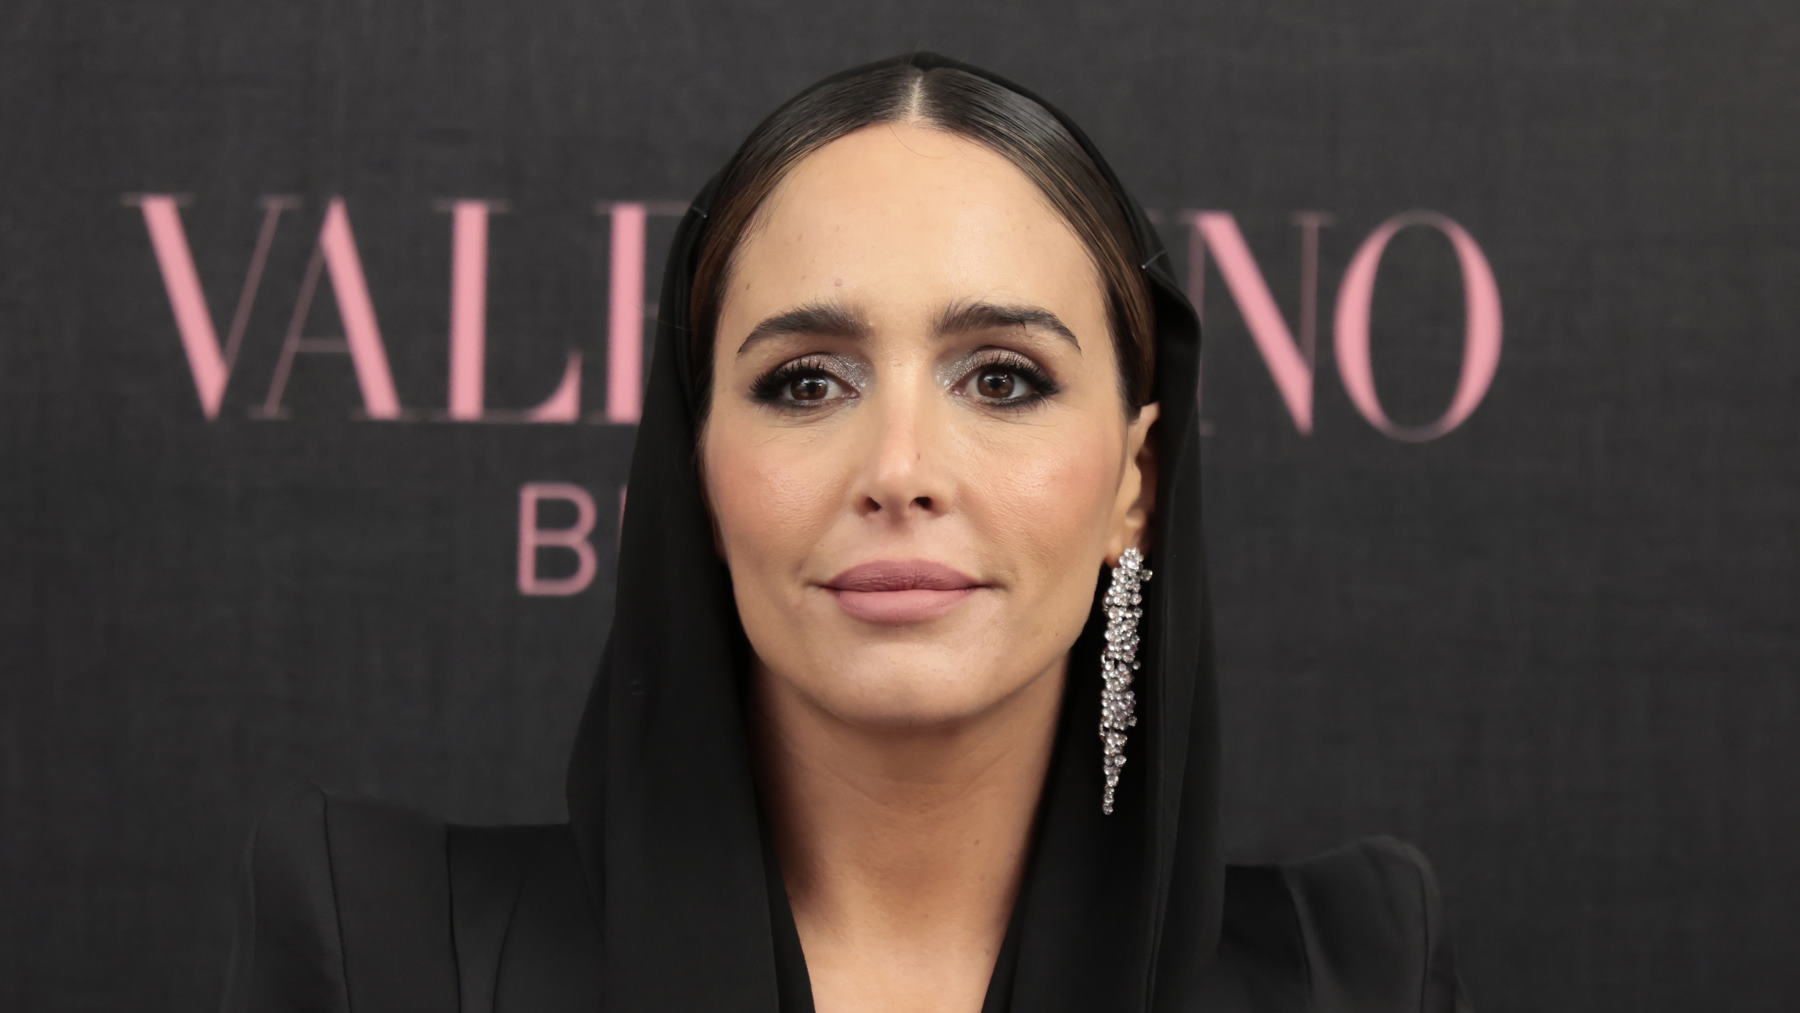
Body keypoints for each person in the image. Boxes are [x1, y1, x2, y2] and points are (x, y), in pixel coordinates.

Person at [218, 50, 1473, 1012]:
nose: (900, 470)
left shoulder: (1359, 971)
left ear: (1134, 485)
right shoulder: (388, 951)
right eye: (807, 381)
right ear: (698, 473)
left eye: (1003, 378)